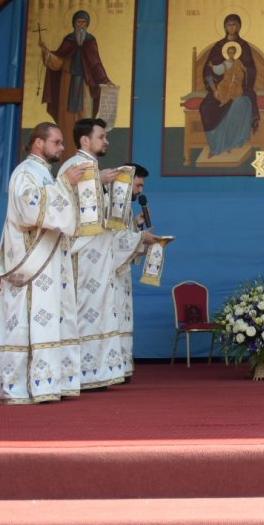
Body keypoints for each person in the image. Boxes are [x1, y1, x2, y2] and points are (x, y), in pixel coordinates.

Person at [0, 123, 86, 404]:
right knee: (24, 321)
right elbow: (29, 212)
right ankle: (17, 386)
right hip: (31, 263)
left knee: (45, 320)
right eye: (57, 142)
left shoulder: (42, 173)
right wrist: (65, 185)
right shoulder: (25, 172)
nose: (62, 148)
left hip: (47, 262)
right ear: (39, 143)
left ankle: (45, 383)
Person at [58, 118, 153, 391]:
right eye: (101, 136)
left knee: (97, 313)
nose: (106, 141)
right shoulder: (73, 166)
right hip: (82, 256)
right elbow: (63, 202)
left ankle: (95, 372)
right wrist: (97, 180)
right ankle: (81, 373)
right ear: (85, 140)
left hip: (98, 257)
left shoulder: (93, 167)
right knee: (84, 312)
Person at [40, 10, 113, 154]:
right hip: (67, 83)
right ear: (74, 23)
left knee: (85, 116)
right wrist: (47, 53)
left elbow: (95, 63)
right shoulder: (69, 40)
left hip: (85, 85)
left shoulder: (90, 41)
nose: (81, 26)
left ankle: (85, 152)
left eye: (84, 23)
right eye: (78, 22)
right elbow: (58, 60)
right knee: (65, 119)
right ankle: (65, 152)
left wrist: (105, 80)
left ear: (87, 24)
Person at [199, 14, 259, 157]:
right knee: (205, 107)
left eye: (234, 24)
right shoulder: (218, 47)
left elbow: (251, 69)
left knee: (239, 104)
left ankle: (230, 143)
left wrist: (244, 71)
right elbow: (209, 69)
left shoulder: (244, 47)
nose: (232, 27)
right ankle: (215, 147)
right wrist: (214, 90)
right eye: (229, 24)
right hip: (220, 88)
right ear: (225, 27)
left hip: (239, 88)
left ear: (239, 27)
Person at [116, 163, 150, 383]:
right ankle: (114, 366)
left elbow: (124, 237)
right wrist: (141, 238)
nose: (140, 191)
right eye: (138, 185)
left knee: (123, 316)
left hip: (122, 273)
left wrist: (137, 227)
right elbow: (114, 241)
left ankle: (121, 365)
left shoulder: (126, 209)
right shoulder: (116, 206)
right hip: (110, 274)